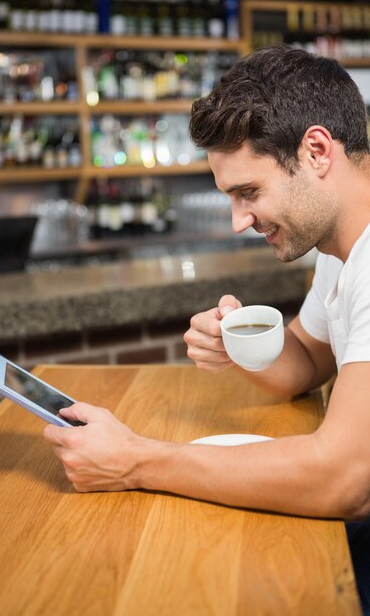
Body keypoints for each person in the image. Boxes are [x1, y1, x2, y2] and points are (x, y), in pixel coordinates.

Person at [43, 45, 370, 611]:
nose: (239, 221)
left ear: (316, 151)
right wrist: (243, 344)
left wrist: (136, 461)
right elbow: (308, 362)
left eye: (249, 193)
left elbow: (345, 479)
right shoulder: (341, 251)